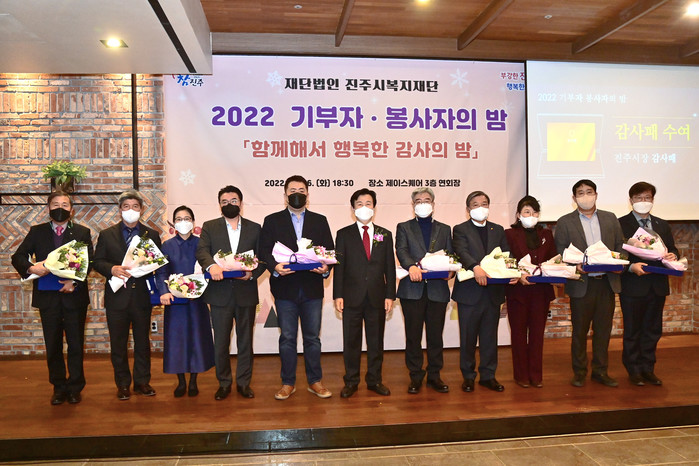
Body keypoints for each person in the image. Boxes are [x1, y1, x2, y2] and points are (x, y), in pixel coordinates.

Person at [11, 190, 93, 405]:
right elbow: (17, 256)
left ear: (72, 210)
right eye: (55, 204)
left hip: (74, 297)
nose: (60, 208)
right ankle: (58, 387)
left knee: (76, 344)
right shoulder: (37, 231)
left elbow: (89, 262)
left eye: (65, 205)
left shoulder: (82, 232)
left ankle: (75, 387)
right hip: (48, 298)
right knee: (53, 344)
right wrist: (31, 268)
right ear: (48, 208)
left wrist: (74, 282)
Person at [259, 175, 335, 400]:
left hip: (312, 289)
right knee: (287, 338)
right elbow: (264, 251)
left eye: (301, 190)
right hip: (285, 289)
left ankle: (315, 381)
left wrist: (326, 268)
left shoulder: (320, 220)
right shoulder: (272, 220)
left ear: (308, 194)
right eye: (292, 190)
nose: (297, 194)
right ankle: (288, 383)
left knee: (312, 339)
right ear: (285, 195)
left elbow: (329, 251)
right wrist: (275, 267)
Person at [554, 179, 624, 388]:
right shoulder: (565, 222)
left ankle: (600, 371)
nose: (586, 196)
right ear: (574, 198)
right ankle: (579, 372)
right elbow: (560, 252)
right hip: (582, 283)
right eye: (581, 193)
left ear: (596, 195)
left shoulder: (610, 218)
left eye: (589, 192)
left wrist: (618, 261)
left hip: (606, 283)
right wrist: (575, 267)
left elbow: (620, 245)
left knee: (603, 331)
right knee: (580, 332)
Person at [196, 186, 264, 400]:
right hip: (219, 294)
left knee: (245, 342)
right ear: (219, 205)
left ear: (241, 203)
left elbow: (263, 258)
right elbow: (202, 251)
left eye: (234, 200)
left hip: (246, 293)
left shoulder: (255, 228)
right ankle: (224, 383)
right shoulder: (210, 226)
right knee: (221, 343)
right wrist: (211, 266)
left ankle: (244, 383)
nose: (229, 204)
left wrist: (252, 274)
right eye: (224, 201)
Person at [93, 189, 162, 400]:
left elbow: (157, 264)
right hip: (116, 298)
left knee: (142, 342)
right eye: (126, 207)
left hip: (141, 297)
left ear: (141, 210)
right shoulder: (107, 234)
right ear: (120, 210)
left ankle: (142, 382)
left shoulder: (152, 235)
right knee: (118, 343)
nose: (130, 210)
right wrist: (112, 269)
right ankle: (122, 384)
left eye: (135, 206)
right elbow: (97, 262)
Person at [333, 188, 396, 398]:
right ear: (353, 209)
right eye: (359, 204)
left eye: (368, 203)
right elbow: (339, 266)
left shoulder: (384, 234)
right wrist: (338, 294)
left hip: (377, 296)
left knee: (375, 342)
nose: (364, 207)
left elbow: (390, 267)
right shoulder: (344, 234)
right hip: (351, 296)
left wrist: (390, 295)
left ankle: (374, 380)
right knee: (351, 342)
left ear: (374, 208)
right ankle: (351, 381)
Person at [452, 190, 515, 393]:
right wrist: (475, 267)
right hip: (469, 292)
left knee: (489, 338)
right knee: (468, 338)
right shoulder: (460, 229)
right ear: (468, 209)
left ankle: (488, 376)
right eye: (476, 204)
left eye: (484, 204)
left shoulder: (498, 229)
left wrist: (513, 271)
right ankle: (468, 376)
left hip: (493, 292)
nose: (481, 208)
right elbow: (461, 251)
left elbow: (506, 255)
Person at [618, 182, 679, 386]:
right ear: (631, 200)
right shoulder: (620, 224)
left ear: (653, 200)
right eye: (639, 198)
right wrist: (630, 266)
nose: (643, 201)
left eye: (647, 198)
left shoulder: (662, 224)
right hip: (633, 285)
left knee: (652, 330)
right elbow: (616, 254)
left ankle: (648, 368)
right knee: (633, 330)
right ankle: (634, 370)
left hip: (657, 285)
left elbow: (673, 248)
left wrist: (673, 255)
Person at [395, 187, 452, 395]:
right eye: (418, 201)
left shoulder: (444, 229)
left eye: (426, 200)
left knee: (436, 336)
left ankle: (435, 375)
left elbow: (451, 255)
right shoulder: (404, 227)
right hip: (412, 290)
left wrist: (450, 272)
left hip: (438, 290)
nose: (423, 204)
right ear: (413, 205)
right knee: (413, 336)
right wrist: (411, 266)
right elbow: (401, 250)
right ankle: (415, 376)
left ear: (433, 204)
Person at [155, 206, 215, 397]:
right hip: (175, 302)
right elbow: (161, 272)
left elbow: (210, 268)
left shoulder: (201, 244)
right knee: (177, 340)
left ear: (193, 222)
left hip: (197, 299)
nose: (183, 222)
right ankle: (181, 381)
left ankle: (194, 381)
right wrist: (164, 291)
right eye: (179, 219)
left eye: (187, 218)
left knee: (197, 338)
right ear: (174, 224)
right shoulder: (167, 245)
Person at [504, 195, 558, 388]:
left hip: (541, 292)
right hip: (518, 291)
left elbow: (554, 259)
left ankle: (536, 375)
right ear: (519, 215)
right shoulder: (509, 234)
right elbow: (506, 259)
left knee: (537, 335)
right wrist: (518, 274)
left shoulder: (546, 234)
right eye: (527, 212)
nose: (531, 216)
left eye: (535, 212)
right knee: (518, 335)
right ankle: (521, 375)